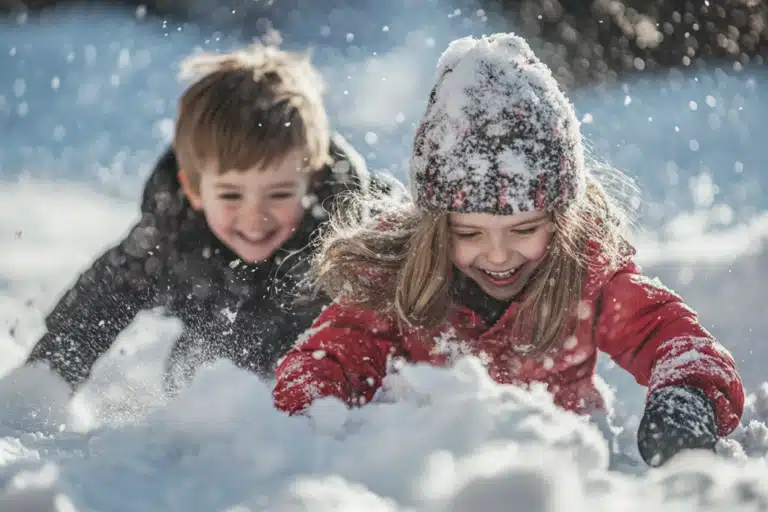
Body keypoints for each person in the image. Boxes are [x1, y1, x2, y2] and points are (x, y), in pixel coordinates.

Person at [272, 33, 744, 468]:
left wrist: (688, 397)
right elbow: (331, 356)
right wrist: (309, 412)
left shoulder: (586, 271)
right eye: (470, 234)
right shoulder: (399, 277)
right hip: (427, 477)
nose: (498, 255)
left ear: (561, 219)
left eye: (523, 228)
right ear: (435, 227)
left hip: (561, 473)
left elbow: (668, 335)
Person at [25, 44, 390, 395]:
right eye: (231, 195)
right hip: (209, 374)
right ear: (194, 190)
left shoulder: (351, 231)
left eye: (278, 194)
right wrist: (45, 384)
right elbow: (99, 300)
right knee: (195, 371)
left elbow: (414, 263)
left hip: (322, 372)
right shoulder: (173, 235)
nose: (255, 217)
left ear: (311, 179)